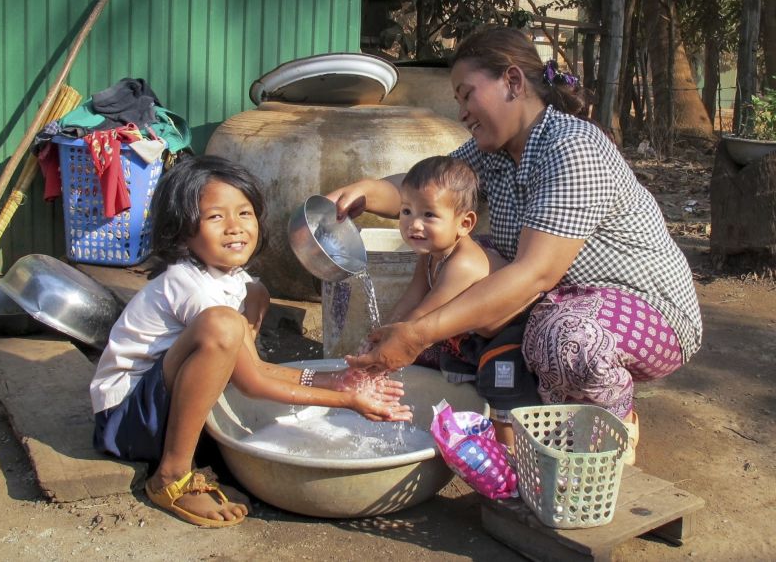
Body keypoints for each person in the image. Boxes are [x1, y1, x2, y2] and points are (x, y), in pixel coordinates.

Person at [327, 26, 702, 465]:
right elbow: (427, 192)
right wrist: (366, 192)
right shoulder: (495, 152)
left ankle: (614, 423)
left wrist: (417, 332)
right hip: (554, 301)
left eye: (467, 95)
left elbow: (534, 273)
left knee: (562, 341)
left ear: (513, 82)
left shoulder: (572, 147)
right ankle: (502, 402)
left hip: (645, 310)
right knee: (454, 264)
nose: (462, 110)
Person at [90, 155, 412, 528]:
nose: (234, 228)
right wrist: (343, 397)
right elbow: (254, 380)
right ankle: (171, 474)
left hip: (157, 405)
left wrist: (334, 375)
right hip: (125, 420)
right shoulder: (187, 284)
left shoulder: (230, 277)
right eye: (215, 217)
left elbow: (255, 319)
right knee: (225, 327)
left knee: (238, 315)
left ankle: (201, 460)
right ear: (182, 231)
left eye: (244, 214)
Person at [388, 155, 509, 374]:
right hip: (473, 335)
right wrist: (382, 332)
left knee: (498, 386)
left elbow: (425, 315)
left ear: (465, 224)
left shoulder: (463, 264)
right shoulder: (430, 252)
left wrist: (387, 347)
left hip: (510, 337)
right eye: (407, 211)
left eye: (429, 215)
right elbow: (412, 298)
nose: (414, 224)